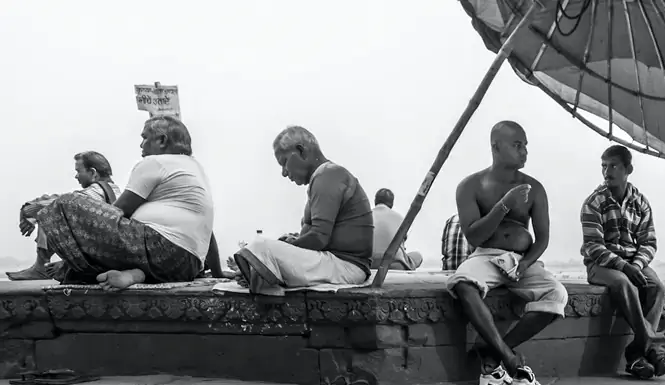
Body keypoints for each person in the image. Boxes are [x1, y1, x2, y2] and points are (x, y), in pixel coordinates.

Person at [446, 121, 567, 385]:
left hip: (521, 261)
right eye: (517, 145)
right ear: (496, 147)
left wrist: (525, 264)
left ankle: (492, 351)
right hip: (486, 255)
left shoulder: (534, 188)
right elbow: (474, 234)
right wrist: (505, 204)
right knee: (463, 285)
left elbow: (543, 238)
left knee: (557, 295)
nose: (524, 151)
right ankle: (509, 359)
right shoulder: (470, 186)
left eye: (525, 145)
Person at [35, 115, 216, 289]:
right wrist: (217, 272)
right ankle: (136, 274)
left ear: (161, 140)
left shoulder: (156, 162)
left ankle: (62, 266)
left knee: (66, 203)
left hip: (158, 249)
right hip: (185, 267)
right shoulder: (195, 169)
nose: (141, 144)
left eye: (145, 138)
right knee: (79, 268)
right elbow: (208, 233)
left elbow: (118, 212)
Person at [233, 126, 374, 294]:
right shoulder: (326, 175)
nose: (284, 173)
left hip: (345, 267)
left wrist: (291, 246)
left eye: (284, 162)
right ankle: (260, 272)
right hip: (339, 264)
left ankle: (262, 276)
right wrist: (295, 240)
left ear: (301, 151)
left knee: (261, 246)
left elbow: (320, 238)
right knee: (266, 251)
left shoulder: (327, 175)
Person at [580, 145, 665, 380]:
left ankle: (636, 356)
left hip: (633, 261)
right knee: (624, 284)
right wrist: (624, 267)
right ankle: (655, 346)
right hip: (600, 265)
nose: (606, 171)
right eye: (604, 166)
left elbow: (649, 242)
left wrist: (637, 266)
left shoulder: (640, 202)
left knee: (656, 288)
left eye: (613, 166)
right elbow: (593, 246)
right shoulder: (594, 202)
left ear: (628, 169)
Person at [7, 152, 122, 281]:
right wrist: (31, 215)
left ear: (93, 173)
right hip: (107, 252)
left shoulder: (96, 191)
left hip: (98, 255)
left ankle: (41, 267)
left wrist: (26, 211)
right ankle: (48, 267)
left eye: (79, 171)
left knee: (53, 212)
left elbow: (62, 203)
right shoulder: (115, 191)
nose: (76, 176)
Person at [371, 188, 423, 271]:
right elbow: (402, 244)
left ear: (375, 201)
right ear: (392, 203)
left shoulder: (366, 216)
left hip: (369, 264)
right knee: (417, 256)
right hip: (395, 265)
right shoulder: (399, 218)